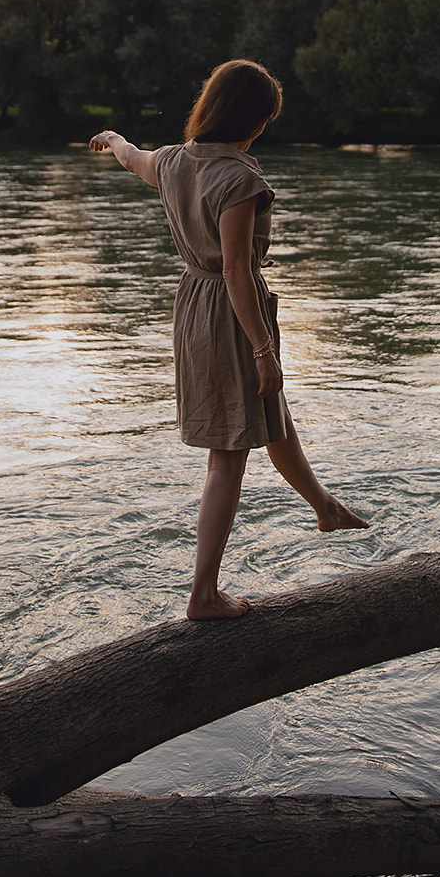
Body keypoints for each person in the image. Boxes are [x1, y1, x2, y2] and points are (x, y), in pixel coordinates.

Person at [91, 59, 368, 620]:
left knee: (271, 412)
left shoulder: (171, 162)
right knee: (228, 456)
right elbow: (238, 271)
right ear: (253, 120)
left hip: (195, 306)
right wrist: (263, 349)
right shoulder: (241, 180)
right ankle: (203, 595)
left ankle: (325, 508)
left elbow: (132, 157)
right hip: (231, 312)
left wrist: (115, 138)